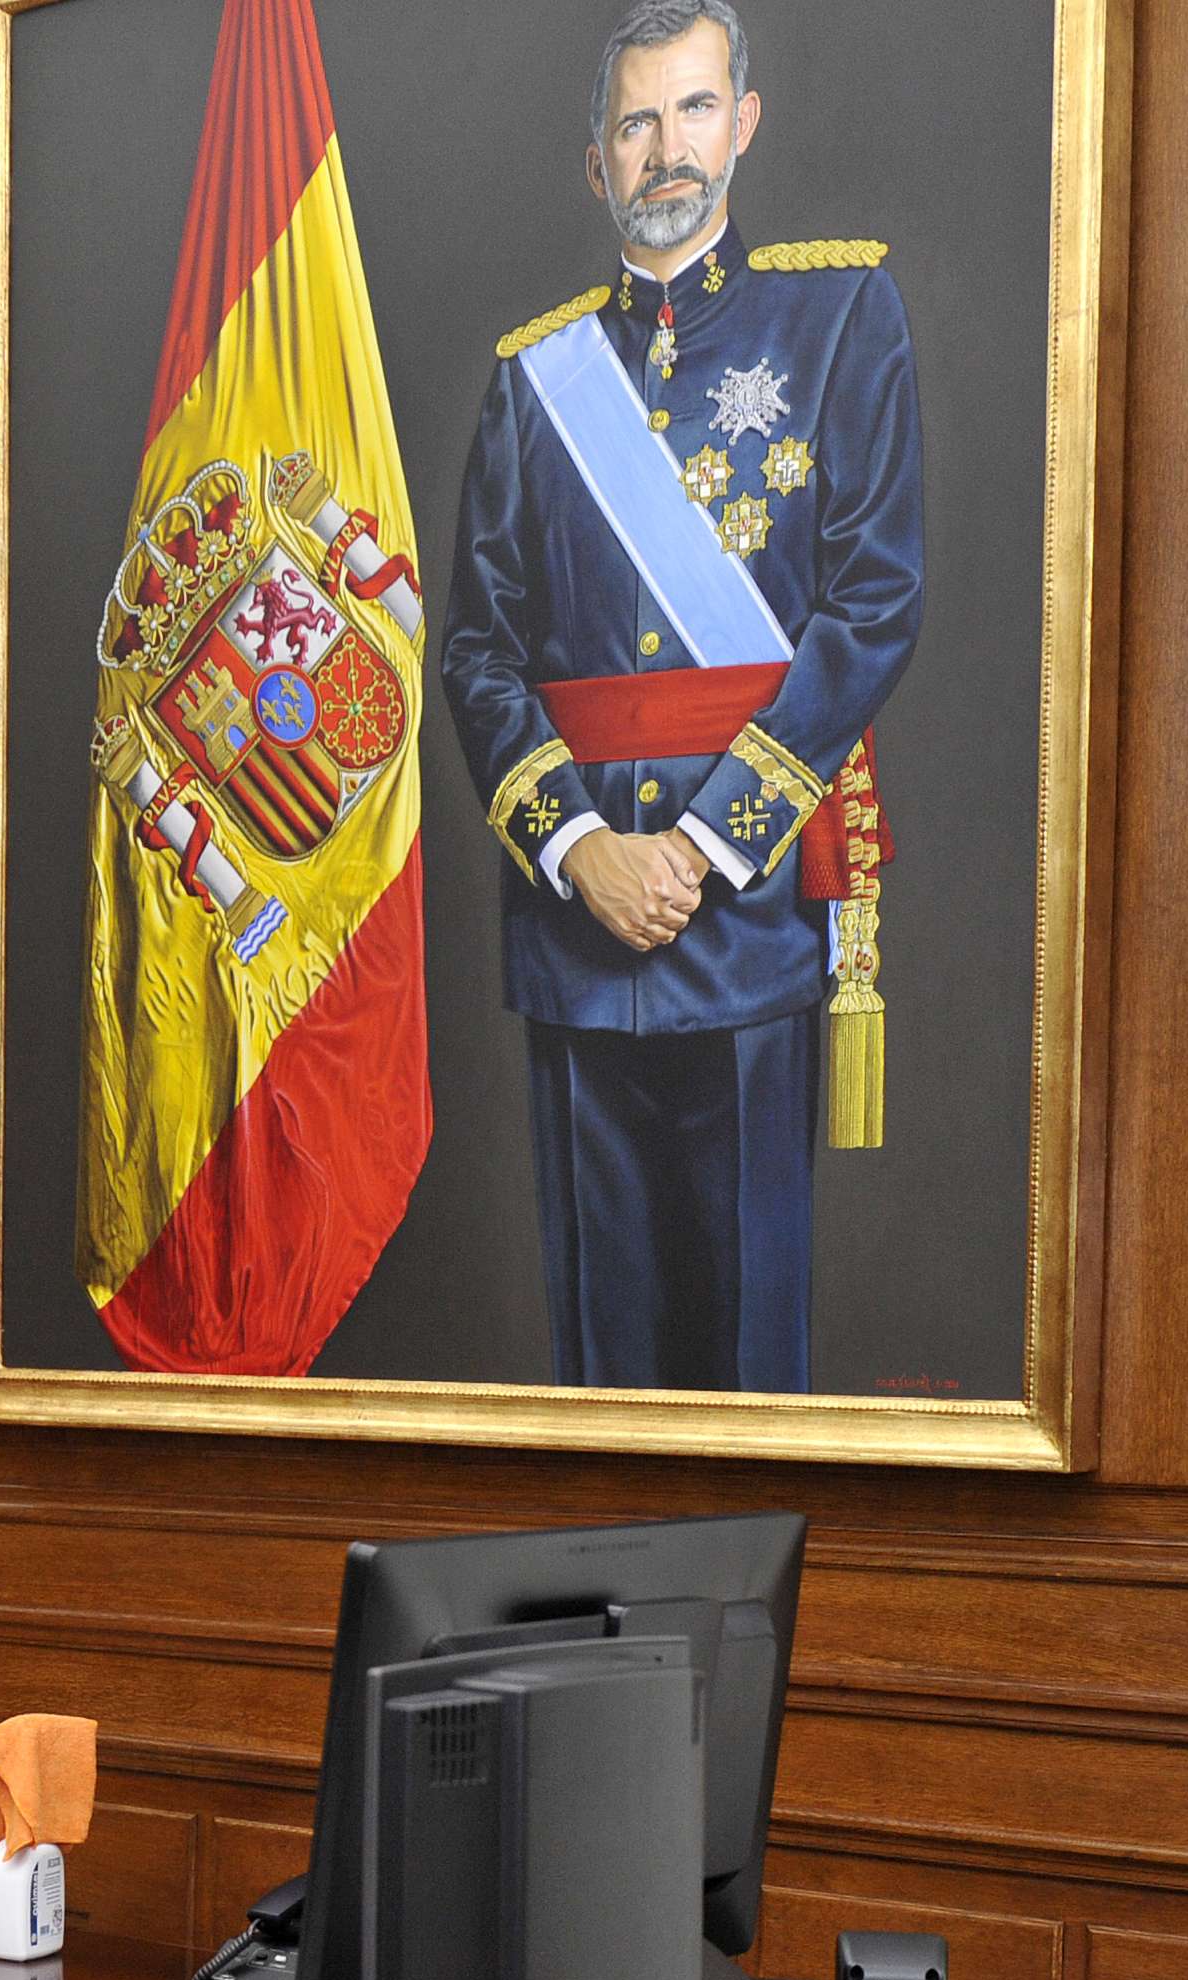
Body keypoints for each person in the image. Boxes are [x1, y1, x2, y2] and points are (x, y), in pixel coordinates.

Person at [436, 0, 923, 1391]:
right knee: (604, 1360)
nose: (668, 152)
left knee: (748, 1355)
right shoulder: (535, 381)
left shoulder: (841, 318)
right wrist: (582, 849)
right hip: (576, 914)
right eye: (637, 122)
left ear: (744, 125)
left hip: (750, 913)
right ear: (596, 160)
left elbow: (875, 598)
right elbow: (478, 646)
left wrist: (703, 848)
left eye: (694, 111)